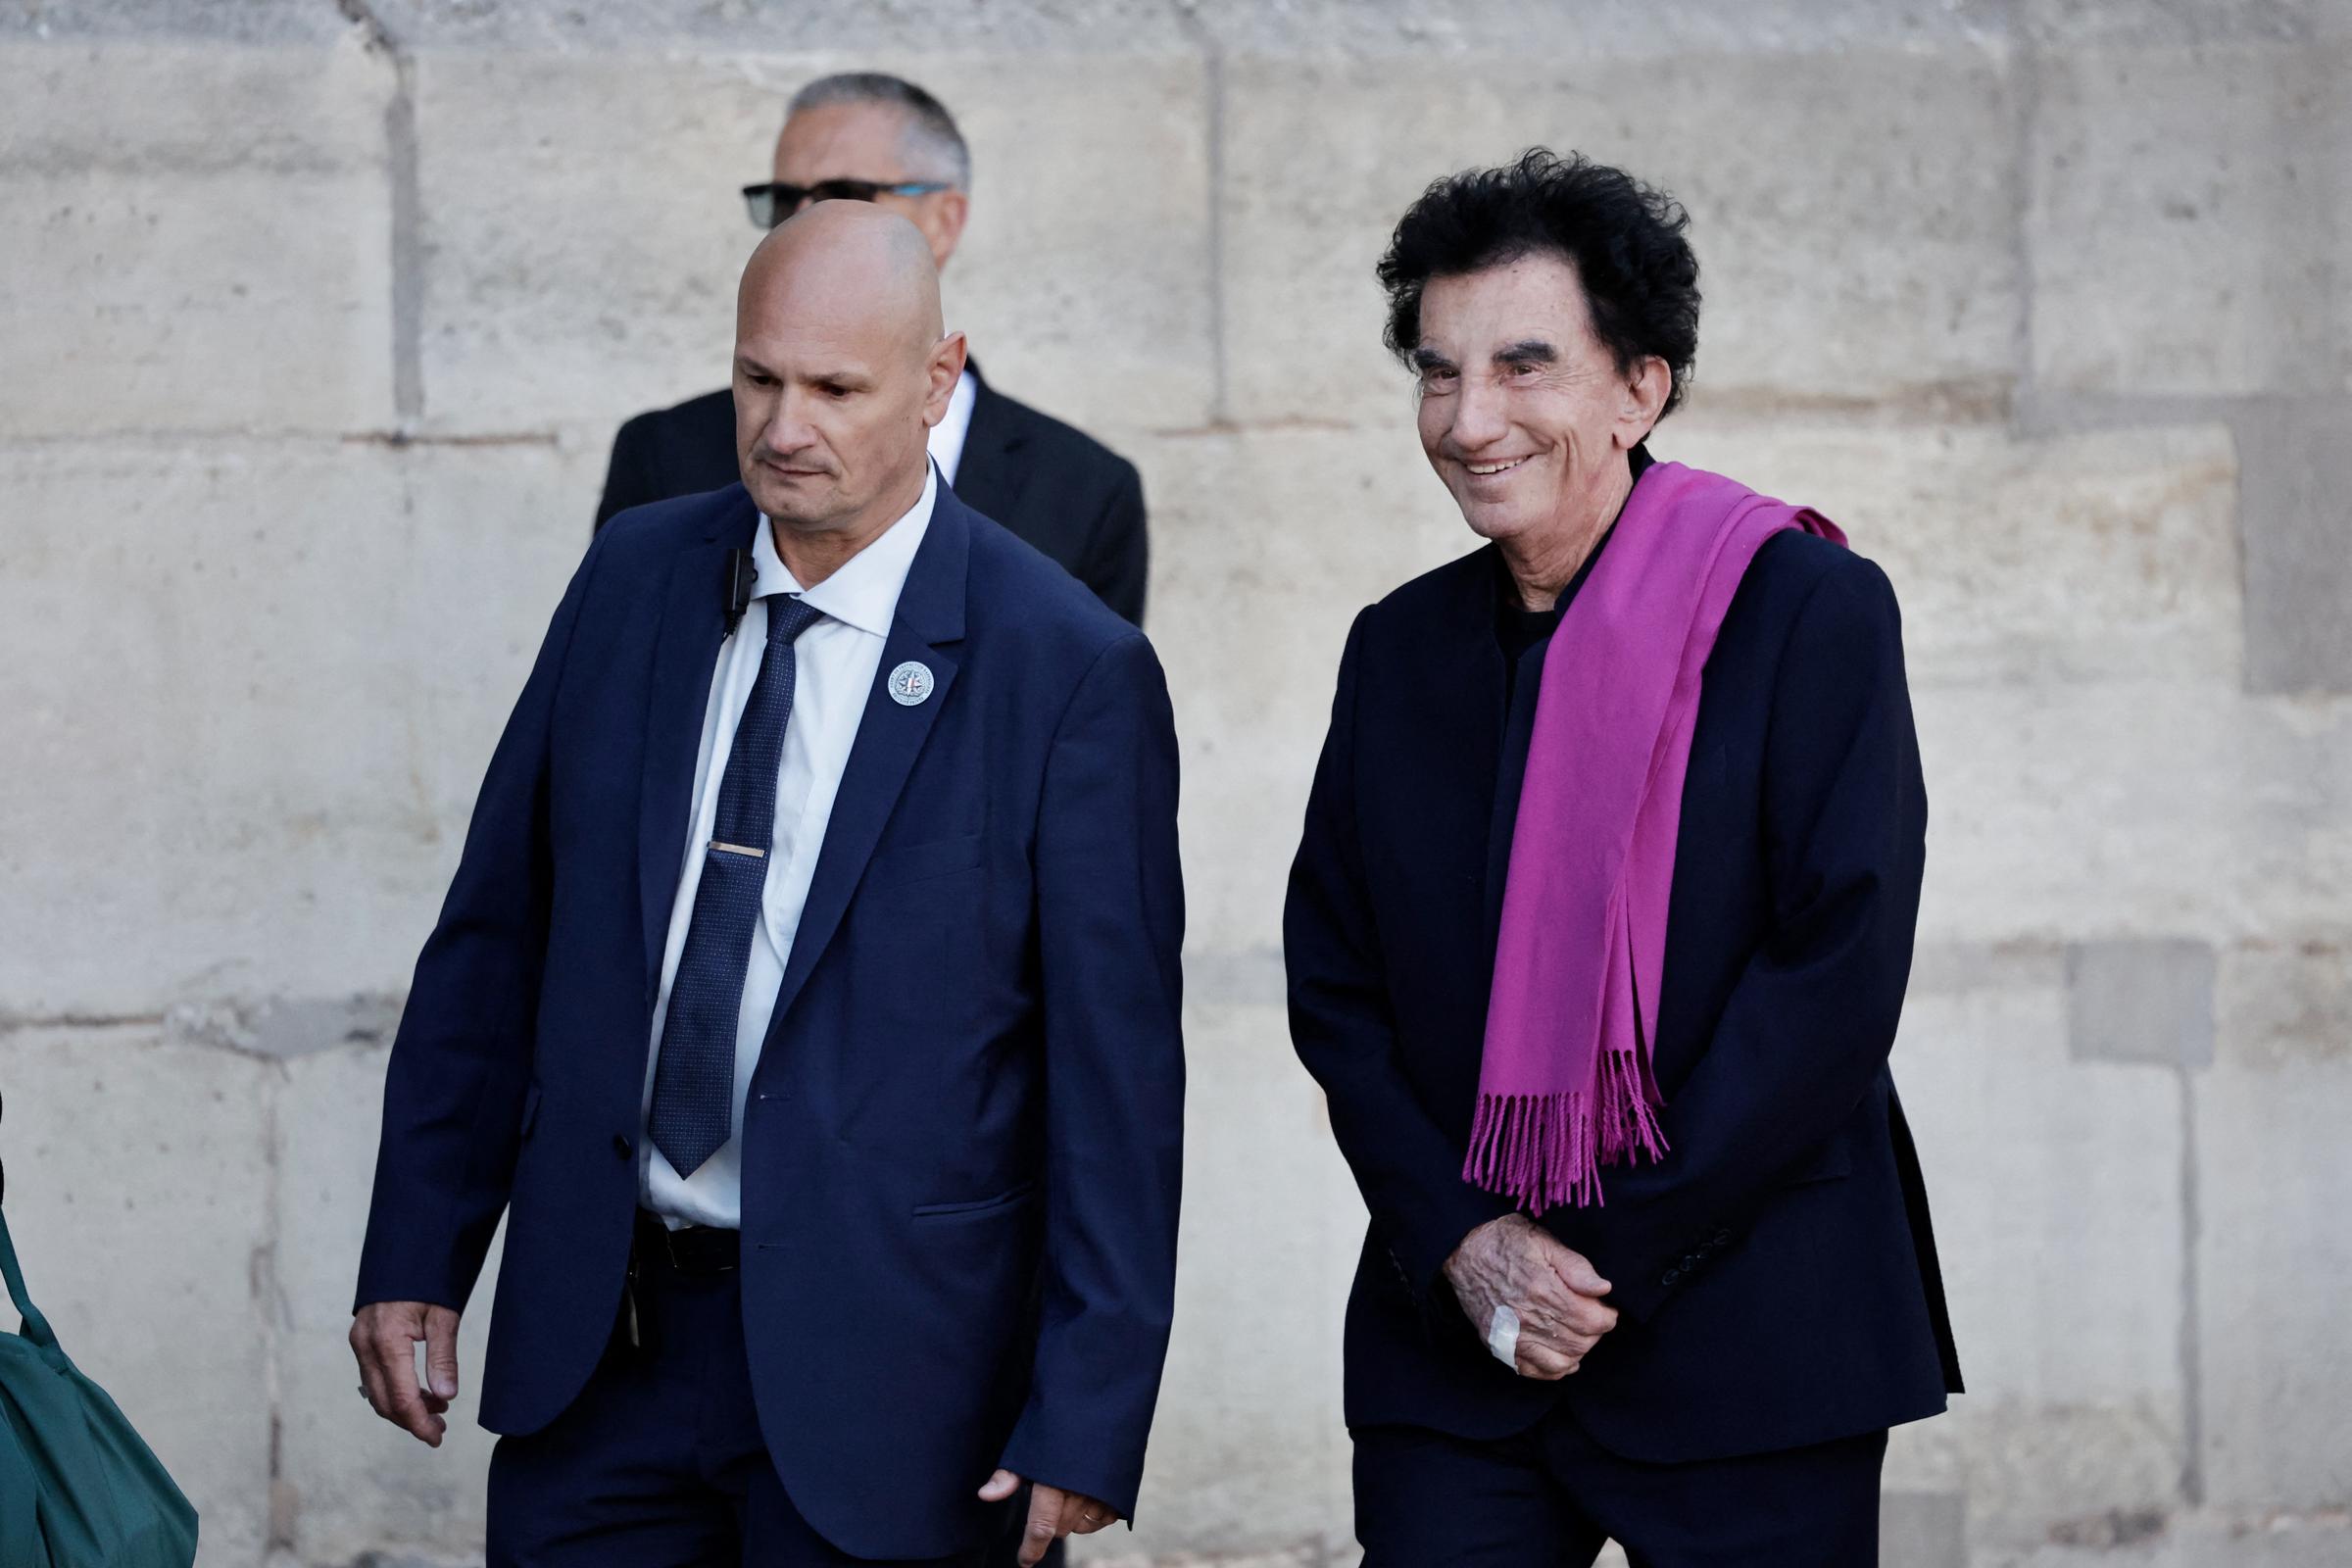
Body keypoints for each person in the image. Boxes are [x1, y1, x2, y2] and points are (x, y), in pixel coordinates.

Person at [352, 202, 1185, 1568]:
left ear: (936, 379)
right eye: (759, 378)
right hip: (602, 1357)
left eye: (836, 388)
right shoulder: (634, 577)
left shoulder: (1064, 665)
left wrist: (1087, 1408)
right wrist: (414, 1255)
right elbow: (499, 939)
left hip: (897, 1390)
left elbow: (1117, 1078)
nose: (783, 426)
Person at [1284, 149, 1963, 1566]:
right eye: (1438, 370)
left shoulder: (1807, 613)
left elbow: (1832, 975)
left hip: (1755, 1339)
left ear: (1639, 387)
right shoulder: (1397, 652)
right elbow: (1335, 983)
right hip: (1458, 1349)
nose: (1472, 420)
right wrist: (1469, 1238)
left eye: (1525, 367)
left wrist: (1596, 1257)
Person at [596, 72, 1151, 627]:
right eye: (786, 198)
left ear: (945, 220)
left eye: (848, 195)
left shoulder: (1085, 489)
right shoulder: (662, 453)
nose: (808, 223)